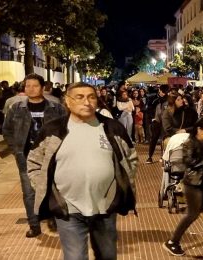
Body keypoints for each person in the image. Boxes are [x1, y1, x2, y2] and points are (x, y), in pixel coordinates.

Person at [27, 82, 137, 259]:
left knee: (108, 255)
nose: (87, 102)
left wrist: (121, 186)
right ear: (67, 102)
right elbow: (33, 162)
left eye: (91, 97)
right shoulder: (53, 130)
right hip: (68, 208)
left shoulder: (112, 128)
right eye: (80, 97)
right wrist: (42, 186)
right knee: (75, 257)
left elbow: (130, 159)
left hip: (105, 207)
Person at [2, 73, 66, 238]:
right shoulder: (16, 108)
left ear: (43, 88)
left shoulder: (56, 108)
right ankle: (34, 224)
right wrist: (15, 149)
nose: (30, 89)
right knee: (29, 192)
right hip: (25, 156)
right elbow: (7, 130)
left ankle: (53, 217)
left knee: (53, 188)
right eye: (27, 86)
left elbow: (65, 128)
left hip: (52, 155)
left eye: (35, 85)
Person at [163, 117, 203, 256]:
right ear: (199, 129)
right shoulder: (189, 143)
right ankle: (172, 242)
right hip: (194, 183)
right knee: (192, 214)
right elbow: (190, 163)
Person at [146, 85, 170, 164]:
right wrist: (152, 118)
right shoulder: (155, 99)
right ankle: (150, 157)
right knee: (154, 139)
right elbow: (149, 109)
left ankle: (163, 156)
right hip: (157, 122)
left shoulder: (169, 100)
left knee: (164, 139)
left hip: (166, 122)